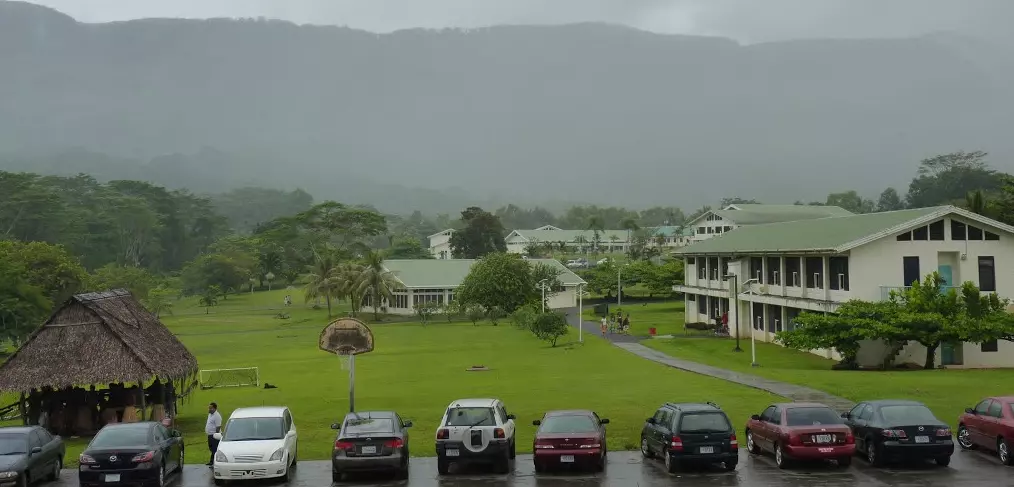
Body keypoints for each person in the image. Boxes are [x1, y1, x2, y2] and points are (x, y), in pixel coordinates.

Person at [206, 402, 223, 466]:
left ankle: (215, 462)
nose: (209, 409)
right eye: (209, 408)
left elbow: (218, 427)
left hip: (214, 435)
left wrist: (216, 435)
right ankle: (212, 461)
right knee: (211, 448)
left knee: (214, 449)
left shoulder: (217, 416)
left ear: (215, 408)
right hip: (210, 435)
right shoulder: (210, 415)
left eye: (211, 408)